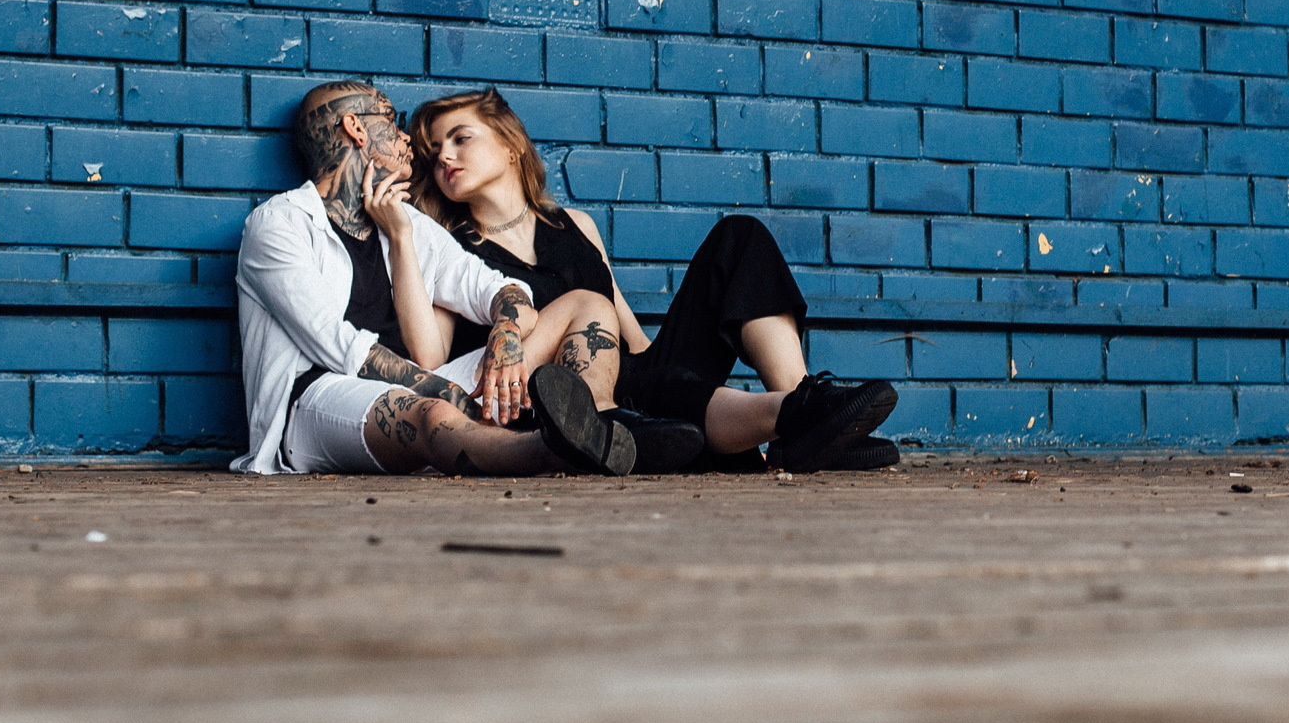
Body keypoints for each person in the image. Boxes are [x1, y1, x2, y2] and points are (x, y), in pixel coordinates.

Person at [404, 88, 900, 472]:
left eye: (460, 138)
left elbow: (628, 333)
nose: (444, 155)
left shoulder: (574, 225)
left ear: (511, 146)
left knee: (738, 236)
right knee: (648, 388)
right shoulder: (451, 252)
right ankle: (800, 418)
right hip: (560, 406)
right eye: (434, 150)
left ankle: (806, 417)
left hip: (631, 375)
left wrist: (664, 366)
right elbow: (436, 362)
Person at [230, 79, 653, 478]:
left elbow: (496, 287)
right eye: (391, 121)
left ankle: (599, 423)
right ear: (355, 128)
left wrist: (505, 334)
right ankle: (553, 450)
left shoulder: (406, 221)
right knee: (433, 416)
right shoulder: (279, 223)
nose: (407, 138)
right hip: (317, 404)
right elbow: (336, 345)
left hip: (422, 389)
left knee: (587, 305)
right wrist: (447, 394)